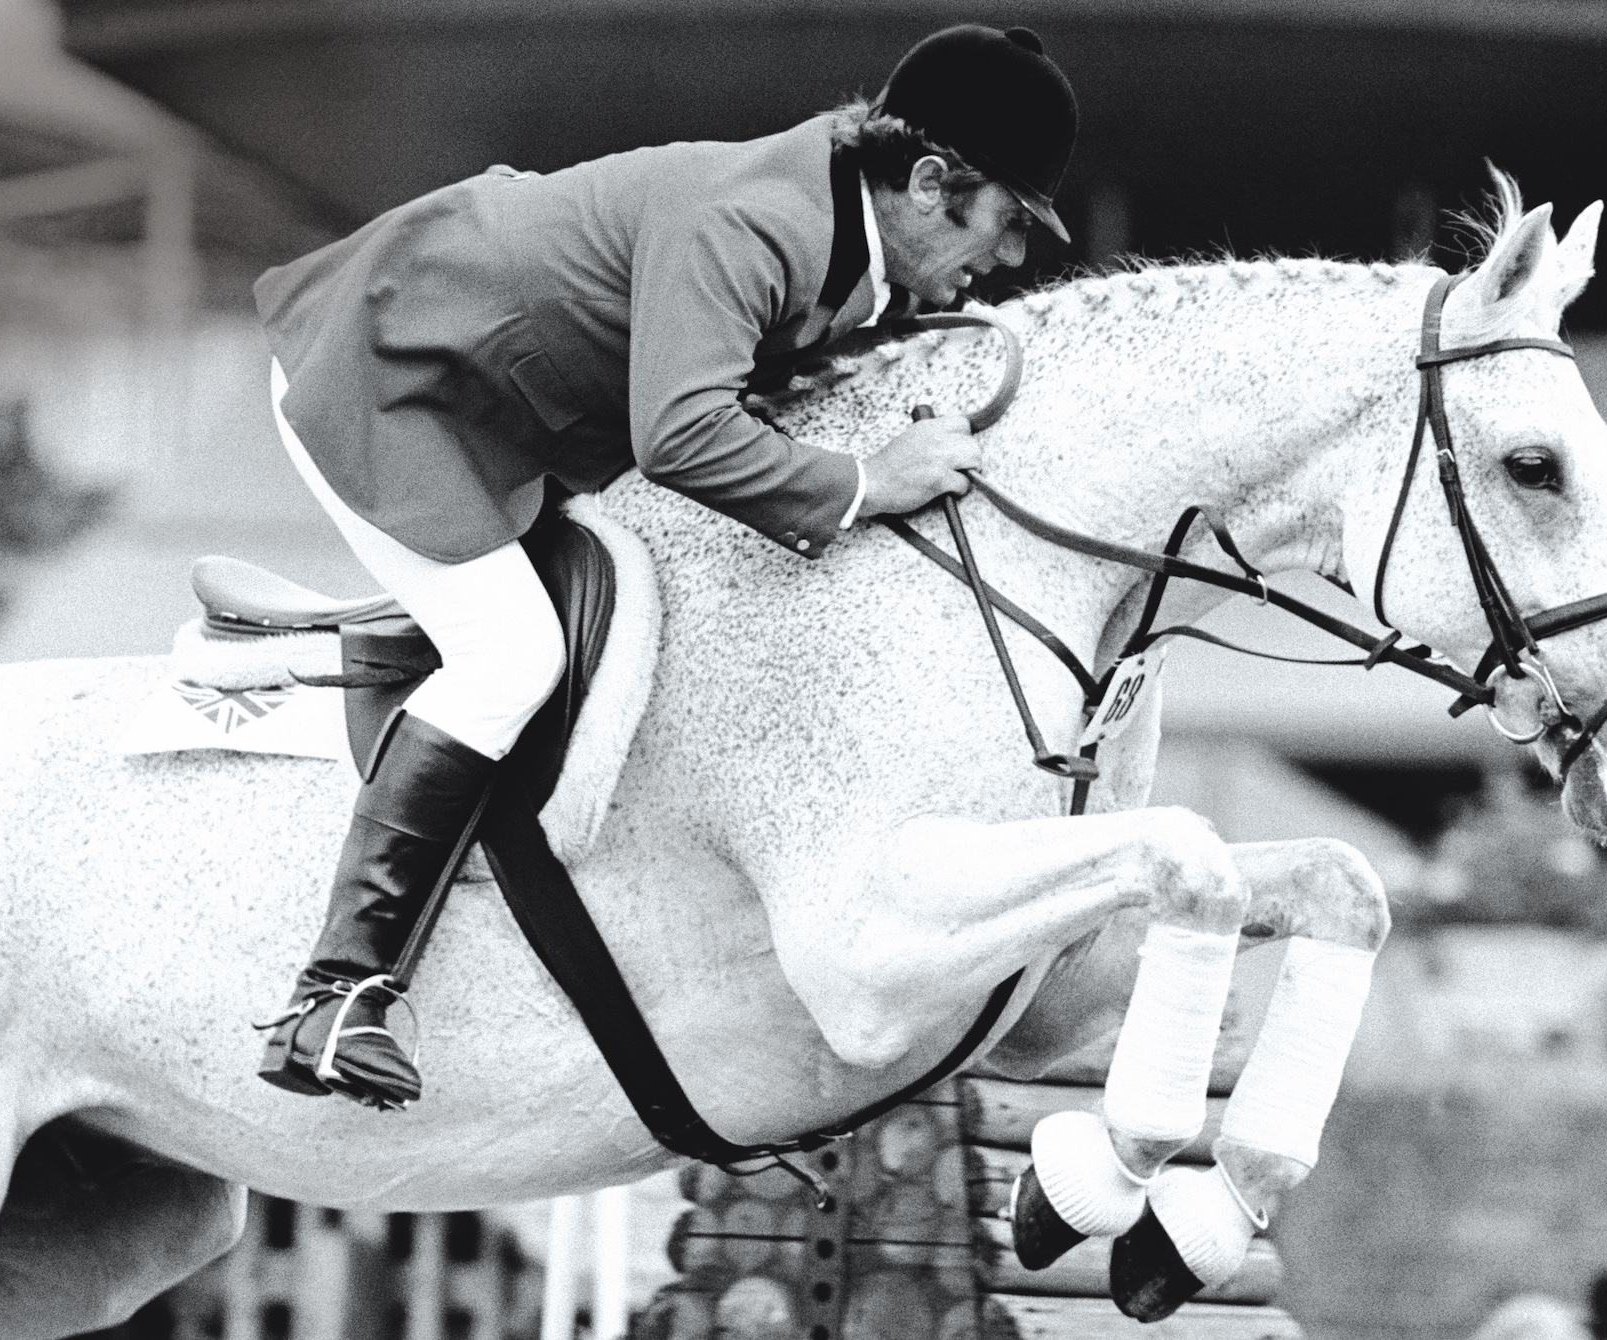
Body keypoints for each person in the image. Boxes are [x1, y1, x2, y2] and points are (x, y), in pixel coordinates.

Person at [251, 23, 1080, 1109]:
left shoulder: (840, 232)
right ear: (929, 184)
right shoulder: (759, 221)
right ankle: (334, 992)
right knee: (510, 658)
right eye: (1008, 222)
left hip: (494, 401)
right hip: (385, 374)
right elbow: (682, 436)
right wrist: (866, 481)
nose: (1011, 258)